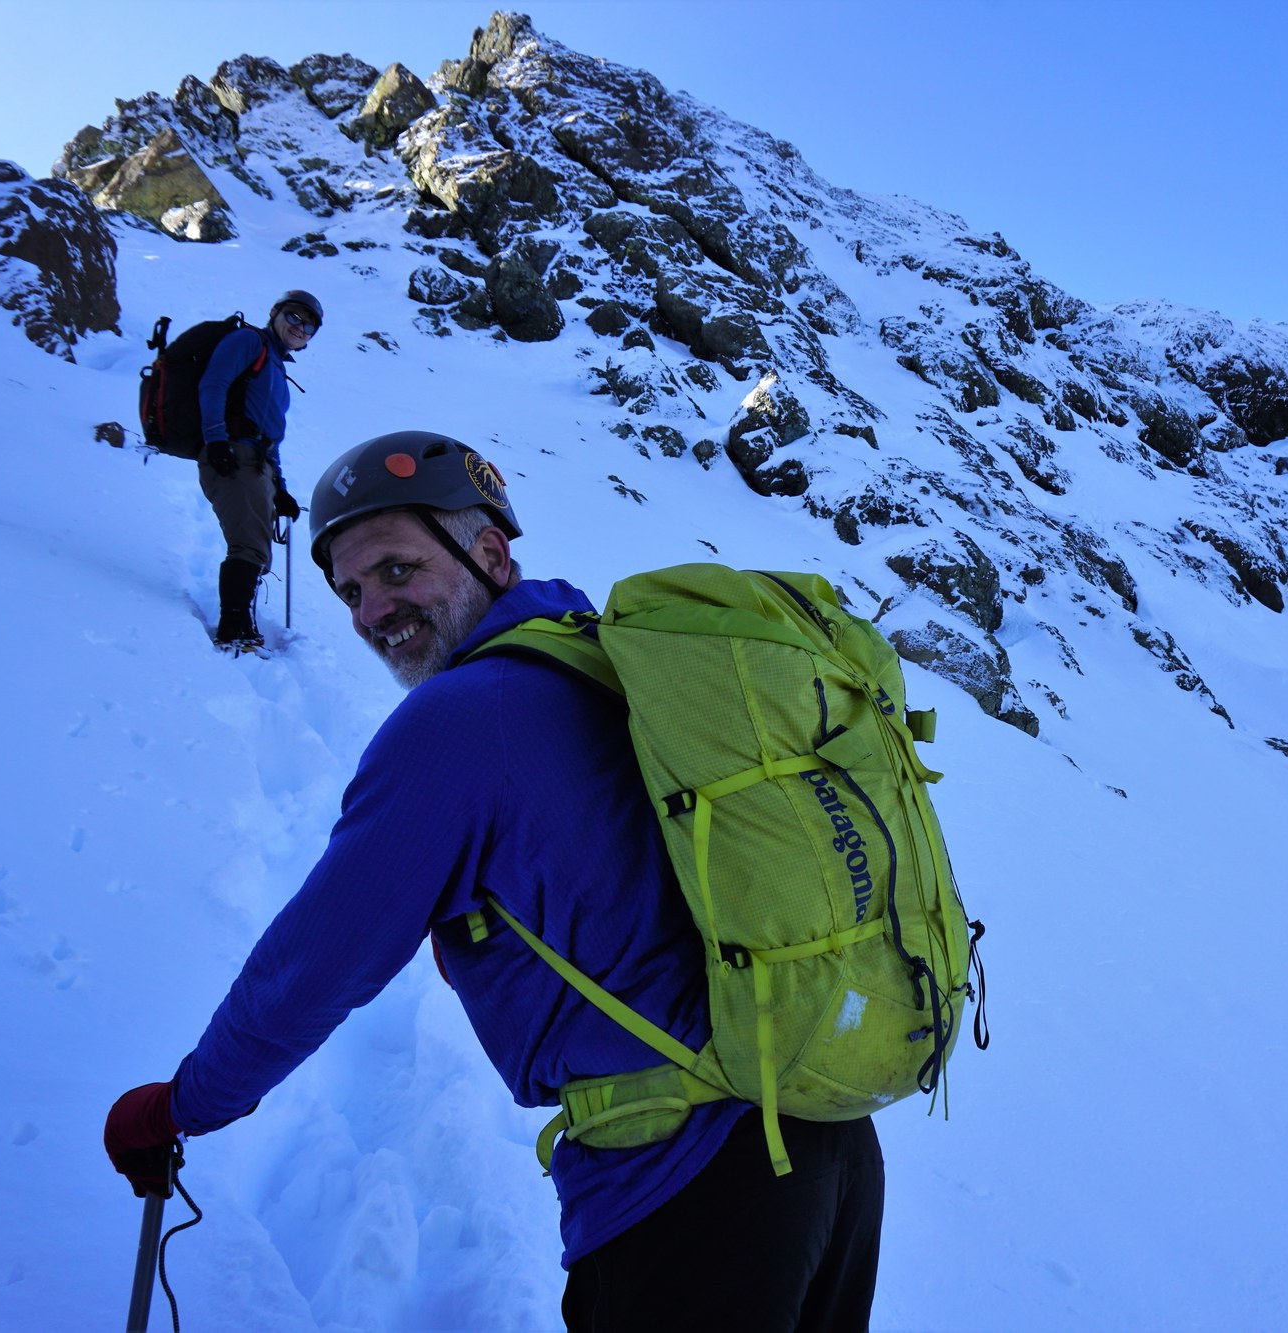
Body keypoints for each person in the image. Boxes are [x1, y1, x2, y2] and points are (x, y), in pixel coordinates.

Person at [104, 430, 886, 1331]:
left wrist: (184, 1103)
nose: (372, 611)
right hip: (826, 1140)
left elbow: (316, 962)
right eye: (351, 590)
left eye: (398, 569)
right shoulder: (601, 662)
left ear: (489, 552)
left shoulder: (464, 720)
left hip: (687, 1183)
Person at [201, 289, 322, 652]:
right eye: (294, 317)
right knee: (250, 545)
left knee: (256, 547)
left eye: (309, 326)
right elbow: (214, 383)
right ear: (275, 314)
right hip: (234, 453)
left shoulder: (276, 366)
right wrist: (215, 440)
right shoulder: (248, 342)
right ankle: (233, 630)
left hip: (258, 461)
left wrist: (280, 488)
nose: (300, 327)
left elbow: (270, 436)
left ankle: (242, 625)